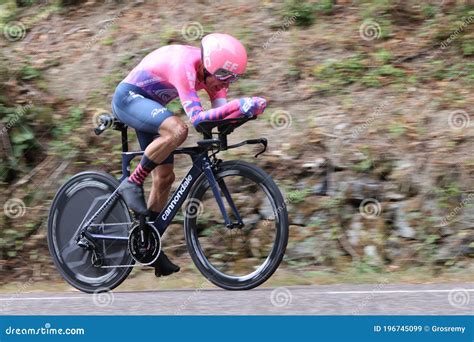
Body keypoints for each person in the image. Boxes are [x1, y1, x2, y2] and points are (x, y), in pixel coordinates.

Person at [111, 33, 267, 277]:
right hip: (129, 98)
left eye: (233, 78)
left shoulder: (215, 77)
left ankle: (147, 242)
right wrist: (240, 104)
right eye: (224, 76)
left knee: (165, 178)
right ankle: (132, 182)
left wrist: (246, 113)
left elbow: (220, 114)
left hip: (152, 105)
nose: (225, 83)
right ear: (207, 65)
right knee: (178, 130)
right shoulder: (184, 66)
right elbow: (197, 119)